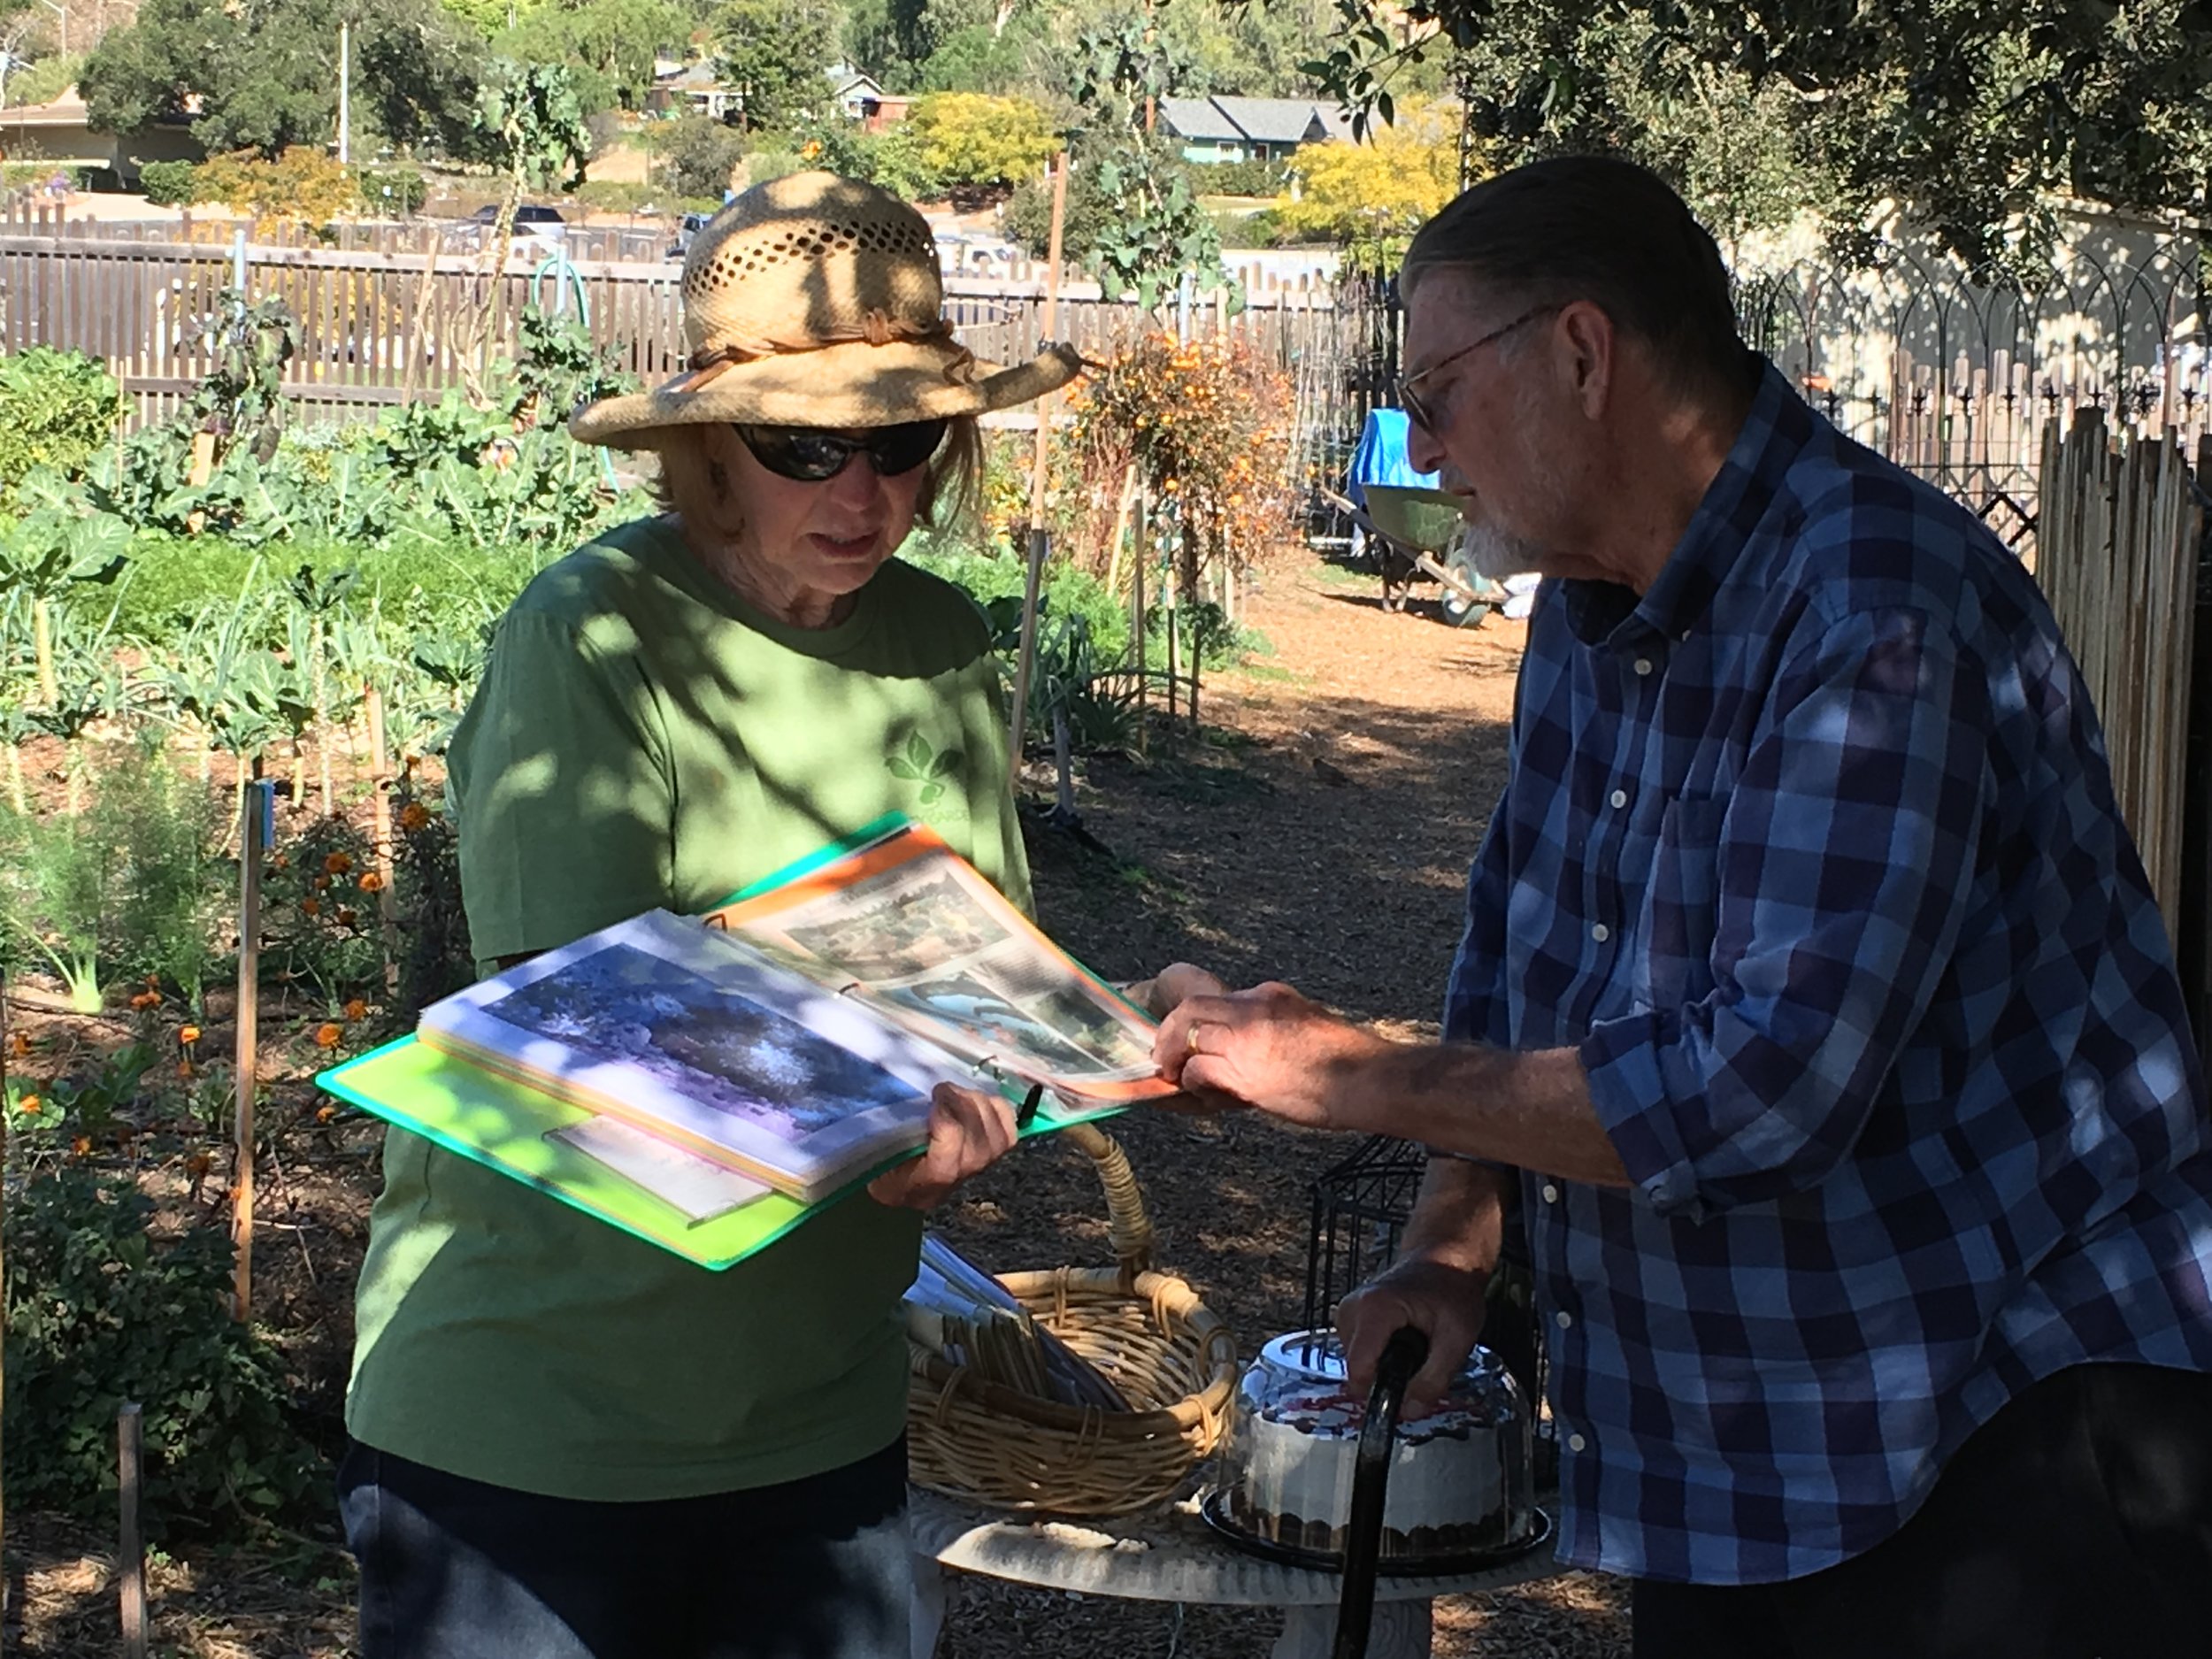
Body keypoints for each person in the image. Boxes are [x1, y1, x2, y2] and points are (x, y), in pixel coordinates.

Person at [1149, 156, 2212, 1658]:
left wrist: (1335, 1071)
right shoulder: (1588, 612)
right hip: (1752, 1455)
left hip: (2008, 1427)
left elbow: (1765, 1088)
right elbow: (1517, 959)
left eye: (1440, 391)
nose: (1424, 446)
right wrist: (1451, 1246)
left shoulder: (1873, 606)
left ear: (1582, 355)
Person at [341, 172, 1083, 1659]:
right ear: (708, 451)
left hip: (819, 1411)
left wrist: (1013, 1080)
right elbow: (586, 1036)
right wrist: (882, 1074)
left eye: (904, 441)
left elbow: (976, 965)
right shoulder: (593, 633)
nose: (864, 497)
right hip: (539, 1413)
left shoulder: (938, 640)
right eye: (807, 445)